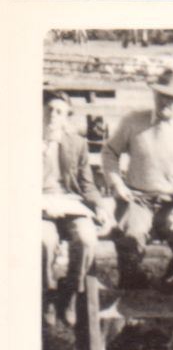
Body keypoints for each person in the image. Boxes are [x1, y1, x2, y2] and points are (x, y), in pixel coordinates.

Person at [100, 68, 173, 286]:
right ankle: (133, 283)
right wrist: (117, 184)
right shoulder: (133, 121)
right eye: (161, 95)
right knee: (130, 239)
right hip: (138, 199)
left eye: (172, 98)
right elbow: (109, 152)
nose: (165, 102)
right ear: (154, 94)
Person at [43, 93, 104, 327]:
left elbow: (87, 184)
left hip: (69, 201)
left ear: (66, 117)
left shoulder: (76, 143)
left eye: (59, 111)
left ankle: (70, 292)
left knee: (87, 239)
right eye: (49, 109)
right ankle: (47, 293)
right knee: (44, 241)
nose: (52, 115)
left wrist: (99, 205)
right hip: (37, 203)